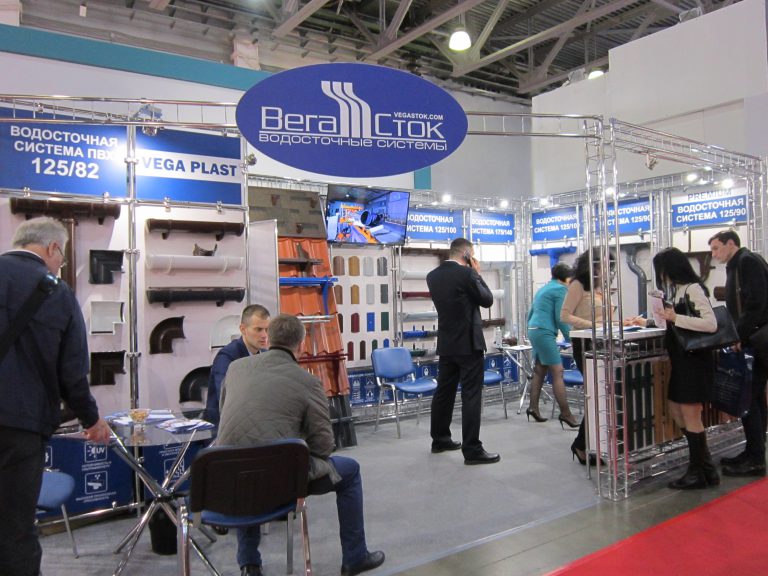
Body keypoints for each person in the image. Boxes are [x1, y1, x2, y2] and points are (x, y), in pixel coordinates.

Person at [217, 314, 385, 576]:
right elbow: (324, 445)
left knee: (248, 458)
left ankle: (249, 563)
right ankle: (355, 557)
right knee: (350, 471)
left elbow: (227, 420)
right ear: (301, 344)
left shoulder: (235, 368)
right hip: (282, 481)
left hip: (231, 479)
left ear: (269, 338)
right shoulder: (308, 382)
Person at [0, 216, 111, 576]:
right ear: (51, 248)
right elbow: (72, 372)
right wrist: (92, 419)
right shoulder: (56, 292)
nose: (60, 264)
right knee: (15, 527)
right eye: (61, 257)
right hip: (21, 427)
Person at [628, 247, 719, 489]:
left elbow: (710, 324)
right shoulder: (680, 289)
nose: (662, 276)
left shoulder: (693, 289)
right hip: (683, 361)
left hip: (694, 362)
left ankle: (698, 471)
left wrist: (675, 318)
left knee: (690, 414)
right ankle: (705, 468)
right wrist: (652, 321)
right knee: (677, 409)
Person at [426, 237, 498, 465]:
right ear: (466, 254)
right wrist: (476, 273)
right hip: (468, 343)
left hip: (447, 343)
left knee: (444, 392)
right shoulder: (467, 274)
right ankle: (472, 449)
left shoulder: (432, 276)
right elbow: (487, 299)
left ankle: (440, 439)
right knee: (471, 395)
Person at [709, 230, 768, 477]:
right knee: (754, 398)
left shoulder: (747, 261)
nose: (714, 254)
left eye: (716, 248)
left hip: (756, 340)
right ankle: (754, 451)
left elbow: (756, 303)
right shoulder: (740, 264)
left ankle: (756, 458)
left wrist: (739, 336)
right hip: (754, 339)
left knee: (750, 398)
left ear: (731, 243)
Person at [560, 248, 615, 464]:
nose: (606, 269)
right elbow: (565, 315)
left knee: (604, 394)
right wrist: (592, 325)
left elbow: (606, 316)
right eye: (603, 264)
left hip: (603, 342)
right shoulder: (578, 285)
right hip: (585, 344)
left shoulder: (601, 286)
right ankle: (581, 444)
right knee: (597, 394)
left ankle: (588, 444)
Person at [526, 262, 576, 426]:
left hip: (534, 329)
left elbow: (530, 313)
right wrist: (572, 338)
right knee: (558, 371)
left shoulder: (545, 288)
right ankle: (566, 414)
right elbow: (561, 318)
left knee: (540, 370)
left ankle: (533, 408)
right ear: (566, 278)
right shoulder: (560, 290)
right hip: (544, 331)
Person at [205, 304, 271, 427]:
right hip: (225, 429)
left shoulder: (266, 355)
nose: (264, 335)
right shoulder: (226, 357)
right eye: (258, 329)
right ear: (243, 329)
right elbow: (226, 399)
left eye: (267, 330)